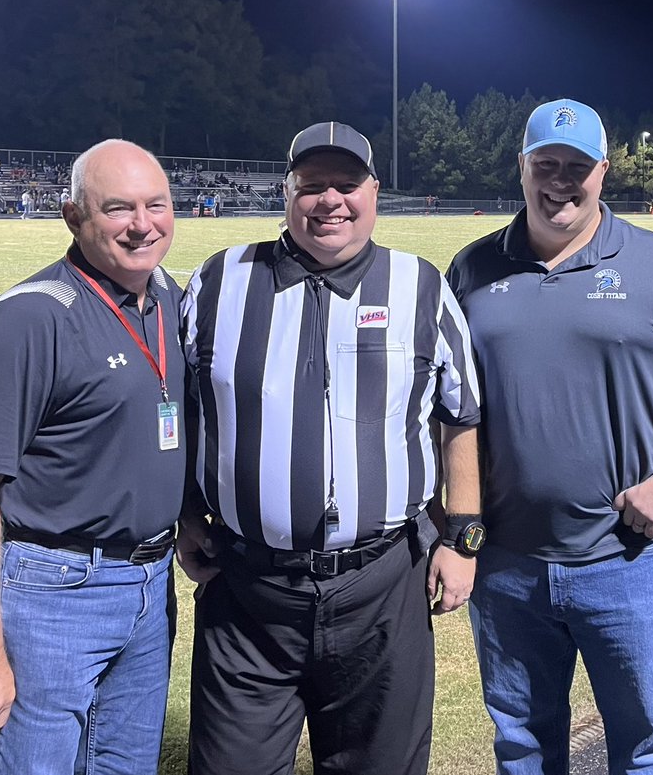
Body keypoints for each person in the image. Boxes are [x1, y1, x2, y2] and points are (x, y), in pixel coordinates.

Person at [447, 99, 653, 774]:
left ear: (603, 172)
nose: (561, 181)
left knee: (646, 745)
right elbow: (452, 410)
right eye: (546, 164)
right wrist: (459, 534)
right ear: (522, 167)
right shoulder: (471, 270)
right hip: (507, 565)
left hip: (626, 561)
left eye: (577, 167)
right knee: (523, 748)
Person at [178, 121, 483, 775]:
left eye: (347, 184)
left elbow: (461, 416)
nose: (330, 200)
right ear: (286, 192)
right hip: (250, 593)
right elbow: (180, 405)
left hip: (382, 587)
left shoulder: (420, 286)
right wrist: (184, 511)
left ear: (374, 192)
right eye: (312, 184)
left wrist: (464, 539)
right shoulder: (220, 281)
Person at [0, 139, 185, 775]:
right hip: (53, 592)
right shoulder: (28, 319)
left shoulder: (166, 298)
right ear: (73, 217)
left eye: (156, 204)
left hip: (152, 586)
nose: (142, 224)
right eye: (118, 208)